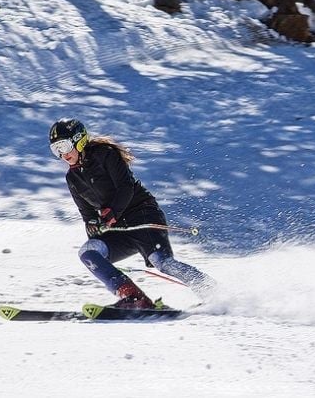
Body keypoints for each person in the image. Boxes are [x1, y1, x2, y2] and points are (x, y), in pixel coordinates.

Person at [48, 118, 215, 309]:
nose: (62, 154)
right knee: (89, 252)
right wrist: (93, 226)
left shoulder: (105, 154)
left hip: (142, 216)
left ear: (79, 140)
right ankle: (134, 298)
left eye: (64, 146)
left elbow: (125, 187)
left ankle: (212, 291)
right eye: (56, 150)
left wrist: (111, 213)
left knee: (163, 263)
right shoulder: (72, 177)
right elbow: (87, 213)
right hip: (118, 229)